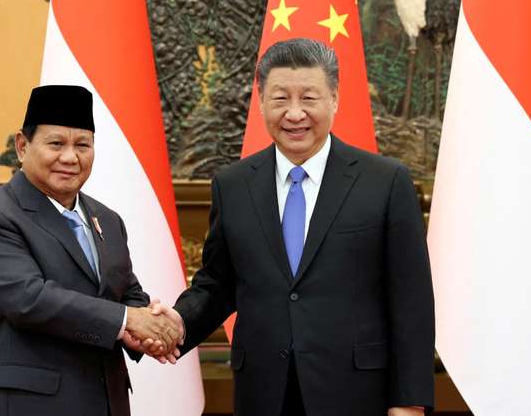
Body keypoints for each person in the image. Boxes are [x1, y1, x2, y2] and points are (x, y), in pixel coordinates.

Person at [155, 38, 435, 416]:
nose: (294, 113)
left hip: (356, 393)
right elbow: (219, 284)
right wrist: (178, 321)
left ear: (334, 99)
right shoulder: (233, 185)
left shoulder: (385, 182)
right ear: (261, 102)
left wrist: (409, 402)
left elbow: (411, 302)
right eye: (280, 98)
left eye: (308, 98)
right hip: (264, 393)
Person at [0, 85, 182, 416]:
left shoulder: (107, 220)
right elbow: (30, 299)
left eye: (82, 145)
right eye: (56, 144)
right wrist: (128, 320)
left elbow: (126, 292)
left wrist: (151, 323)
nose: (70, 158)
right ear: (22, 146)